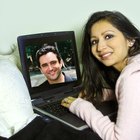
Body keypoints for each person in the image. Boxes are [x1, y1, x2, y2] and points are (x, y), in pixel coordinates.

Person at [61, 10, 140, 140]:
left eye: (108, 36)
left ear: (130, 39)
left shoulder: (132, 77)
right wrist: (106, 94)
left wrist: (82, 107)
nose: (100, 47)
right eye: (94, 41)